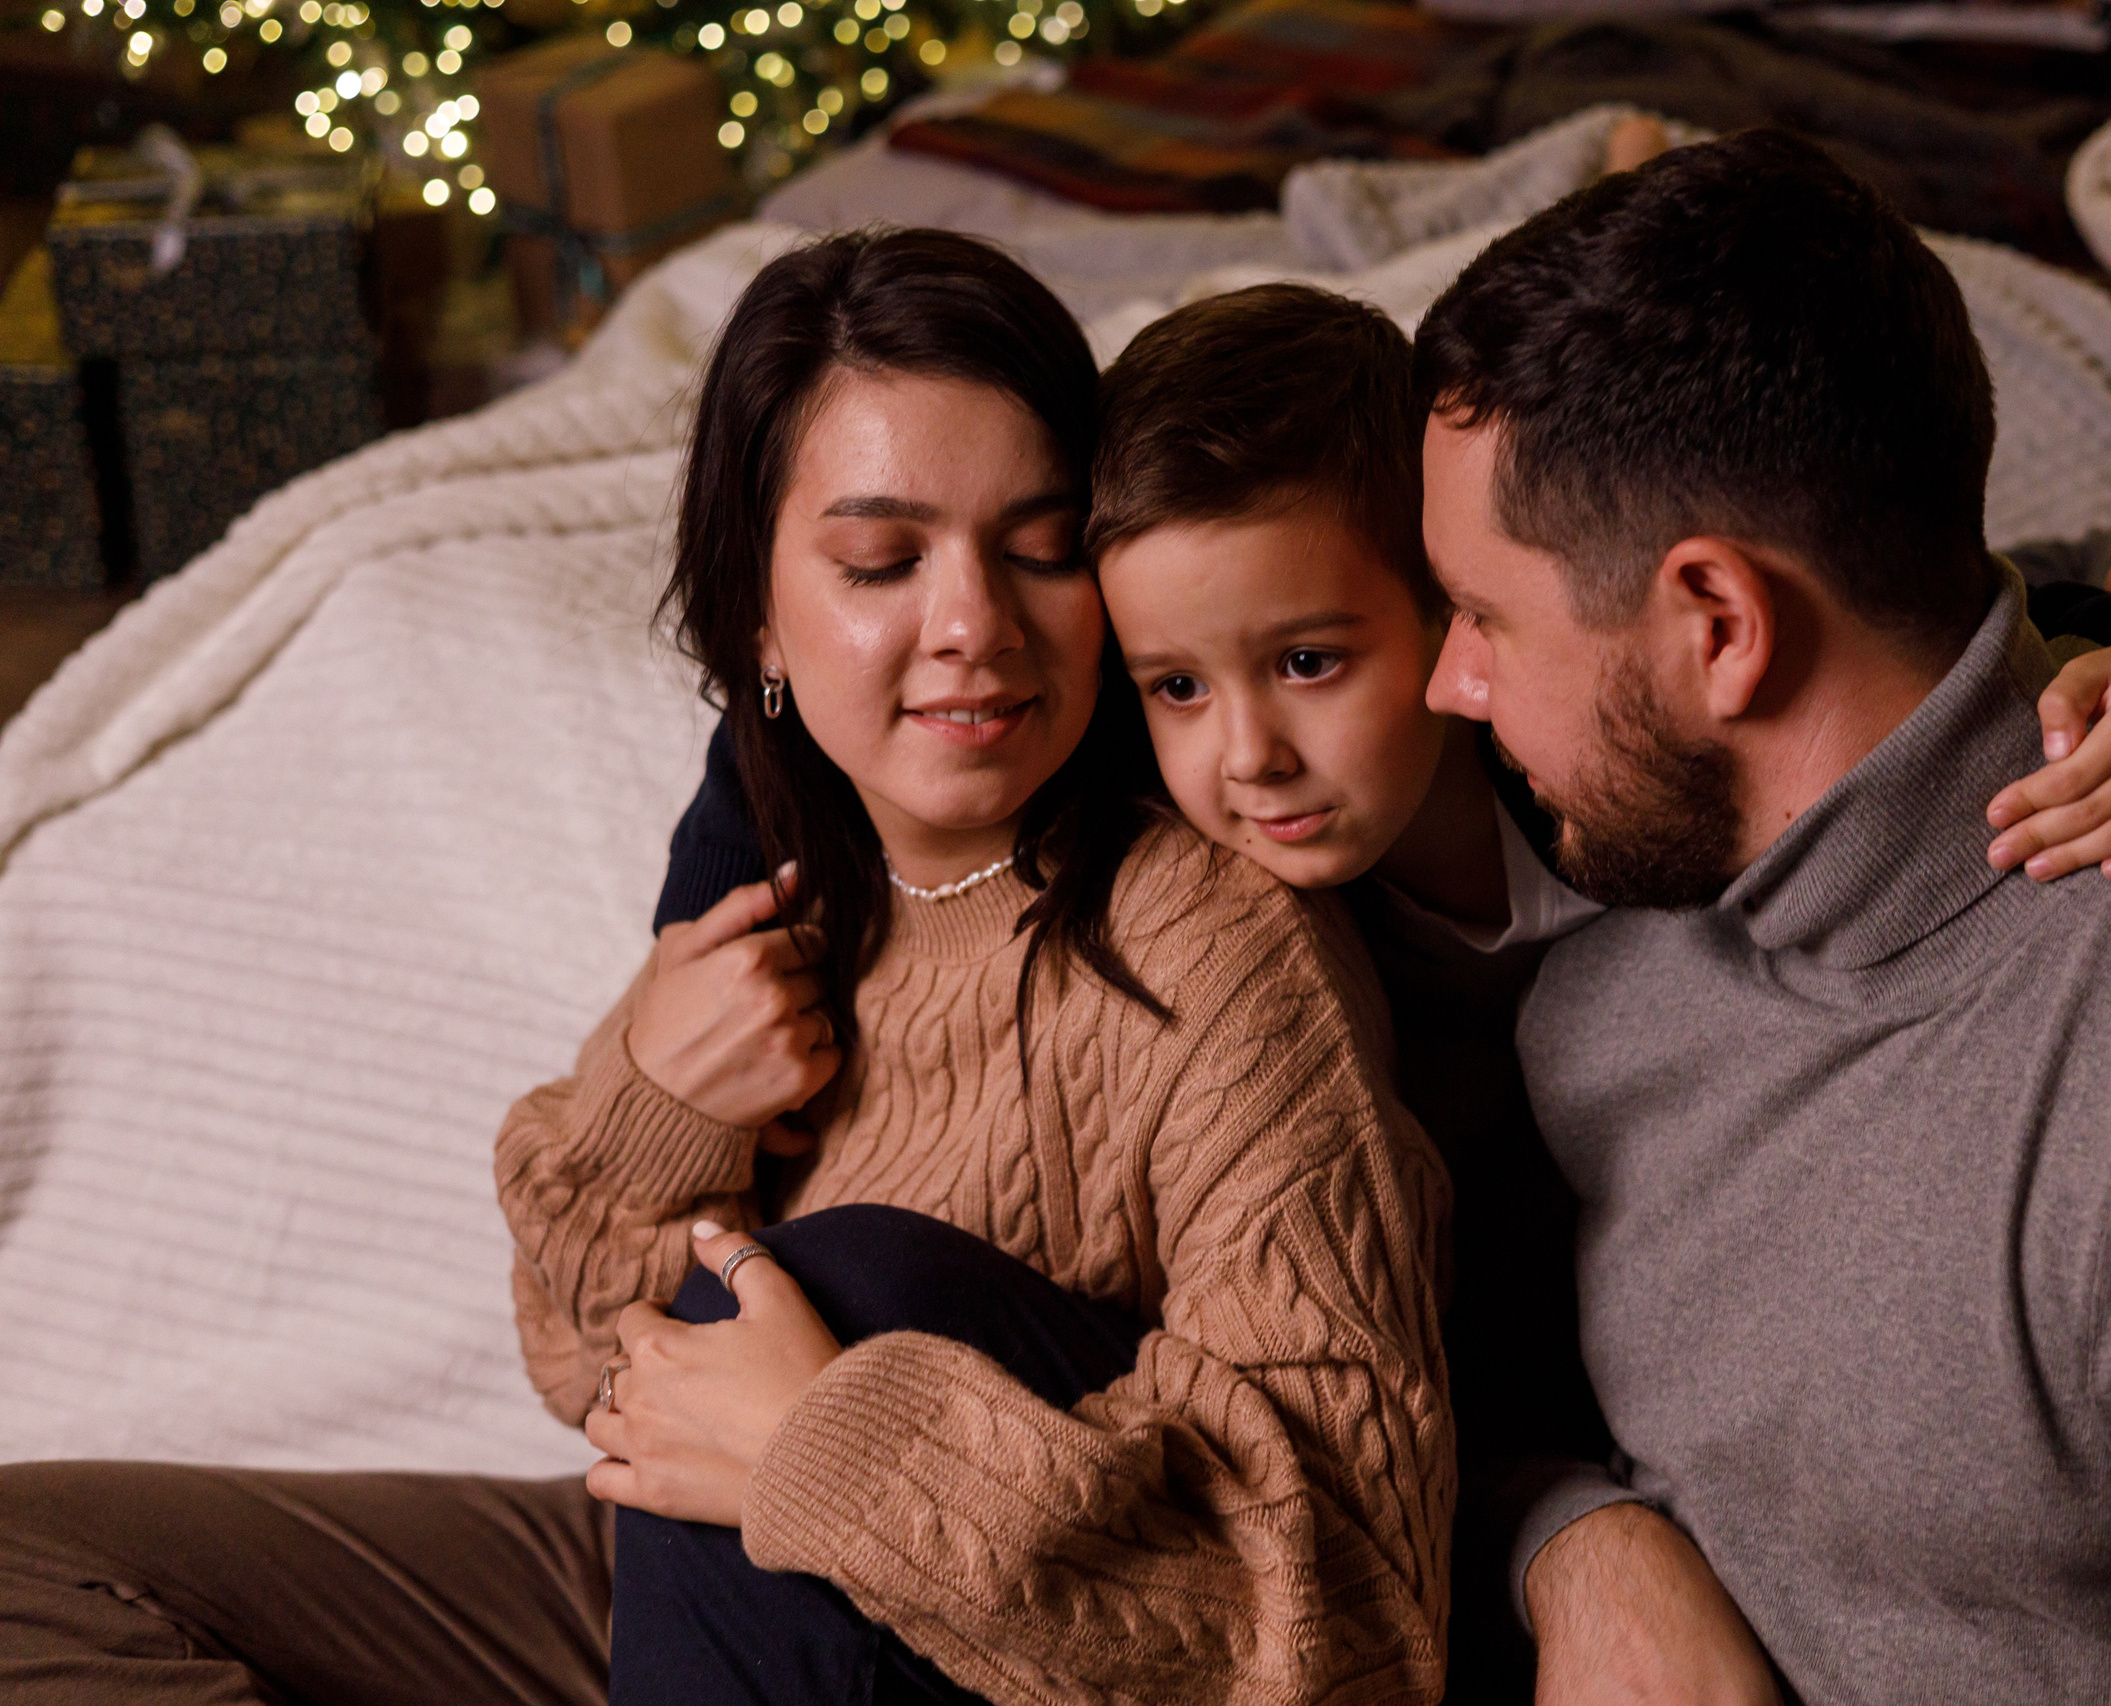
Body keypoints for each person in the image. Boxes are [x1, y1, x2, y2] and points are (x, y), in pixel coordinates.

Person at [652, 274, 2111, 1698]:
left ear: (1452, 626)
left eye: (1306, 661)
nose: (1249, 757)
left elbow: (1887, 689)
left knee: (2052, 677)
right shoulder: (1168, 796)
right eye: (1179, 690)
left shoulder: (1602, 782)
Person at [0, 230, 1455, 1706]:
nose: (973, 627)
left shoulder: (1212, 948)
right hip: (658, 1577)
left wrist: (831, 1445)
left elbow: (1357, 1616)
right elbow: (589, 1371)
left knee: (853, 1280)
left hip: (978, 1642)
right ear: (761, 615)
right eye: (882, 561)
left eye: (1039, 547)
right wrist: (655, 1109)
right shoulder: (768, 889)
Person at [1409, 127, 2111, 1705]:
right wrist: (1581, 1546)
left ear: (1717, 626)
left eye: (1483, 618)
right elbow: (1433, 1380)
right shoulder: (1607, 899)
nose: (1444, 686)